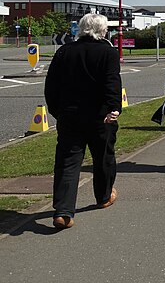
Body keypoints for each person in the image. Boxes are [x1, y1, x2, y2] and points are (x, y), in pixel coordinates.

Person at [44, 13, 122, 230]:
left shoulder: (64, 51)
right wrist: (114, 108)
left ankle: (63, 212)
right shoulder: (108, 52)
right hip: (100, 116)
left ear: (81, 29)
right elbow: (112, 82)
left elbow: (51, 85)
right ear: (103, 31)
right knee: (103, 157)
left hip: (69, 115)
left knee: (67, 162)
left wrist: (57, 110)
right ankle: (104, 196)